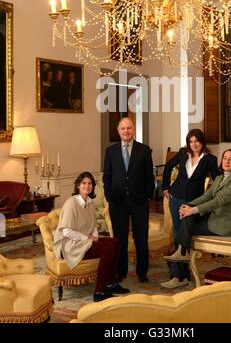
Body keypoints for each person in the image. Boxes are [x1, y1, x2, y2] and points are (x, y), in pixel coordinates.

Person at [53, 171, 130, 302]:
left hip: (85, 240)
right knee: (108, 248)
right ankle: (99, 291)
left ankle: (110, 283)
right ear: (78, 185)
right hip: (71, 244)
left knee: (115, 242)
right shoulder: (71, 203)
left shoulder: (89, 203)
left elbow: (93, 225)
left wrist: (95, 237)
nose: (87, 186)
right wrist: (87, 238)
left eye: (90, 183)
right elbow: (66, 231)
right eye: (84, 183)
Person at [160, 129, 219, 289]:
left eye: (197, 141)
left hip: (193, 201)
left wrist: (212, 198)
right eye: (191, 141)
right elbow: (168, 167)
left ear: (202, 142)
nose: (194, 145)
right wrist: (166, 187)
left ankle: (180, 277)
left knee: (183, 236)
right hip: (175, 198)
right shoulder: (182, 154)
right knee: (177, 236)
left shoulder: (210, 160)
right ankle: (179, 277)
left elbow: (217, 179)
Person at [163, 149, 231, 262]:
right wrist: (188, 206)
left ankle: (181, 255)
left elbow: (218, 201)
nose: (227, 161)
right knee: (187, 218)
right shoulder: (219, 178)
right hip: (214, 219)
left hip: (224, 225)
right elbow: (206, 196)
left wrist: (193, 210)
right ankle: (182, 254)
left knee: (186, 224)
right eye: (225, 158)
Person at [103, 117, 155, 283]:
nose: (126, 131)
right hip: (117, 202)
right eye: (123, 128)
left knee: (141, 238)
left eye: (129, 128)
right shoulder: (110, 151)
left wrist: (148, 195)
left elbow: (149, 176)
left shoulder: (144, 150)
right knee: (120, 239)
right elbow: (107, 177)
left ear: (134, 130)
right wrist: (109, 196)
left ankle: (142, 272)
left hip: (139, 201)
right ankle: (121, 271)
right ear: (118, 131)